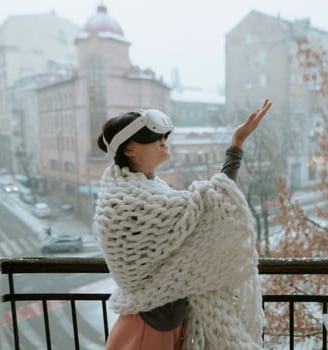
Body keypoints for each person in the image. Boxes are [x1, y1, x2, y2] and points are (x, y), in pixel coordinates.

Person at [94, 99, 272, 350]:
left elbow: (202, 215)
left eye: (163, 134)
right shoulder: (126, 202)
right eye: (150, 137)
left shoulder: (151, 189)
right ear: (129, 150)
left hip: (169, 320)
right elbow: (208, 209)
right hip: (149, 327)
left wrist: (237, 146)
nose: (162, 140)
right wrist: (235, 149)